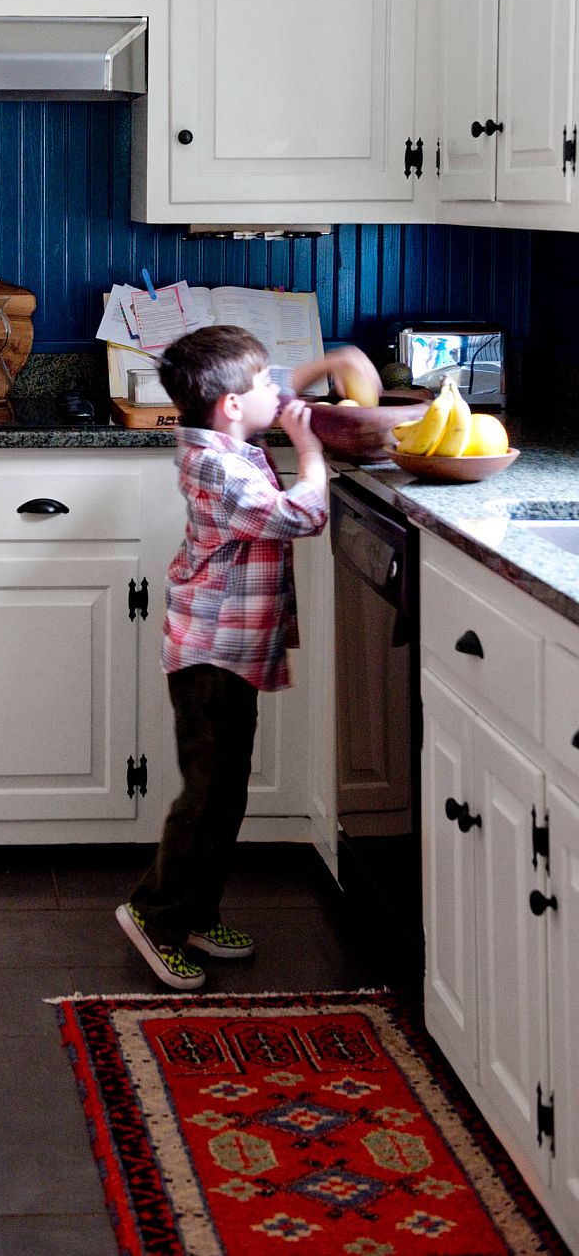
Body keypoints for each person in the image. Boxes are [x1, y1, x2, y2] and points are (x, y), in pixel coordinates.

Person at [116, 327, 381, 989]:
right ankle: (155, 915)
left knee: (225, 789)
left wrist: (331, 363)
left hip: (229, 648)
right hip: (210, 655)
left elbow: (285, 385)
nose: (277, 389)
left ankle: (197, 911)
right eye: (264, 384)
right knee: (207, 795)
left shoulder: (225, 432)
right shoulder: (218, 465)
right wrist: (312, 451)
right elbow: (299, 516)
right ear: (233, 404)